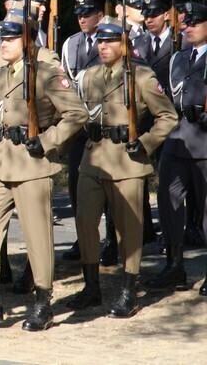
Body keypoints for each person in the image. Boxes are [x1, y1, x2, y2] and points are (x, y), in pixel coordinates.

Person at [0, 16, 87, 331]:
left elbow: (76, 114)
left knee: (37, 235)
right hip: (0, 160)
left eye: (11, 39)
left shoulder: (45, 74)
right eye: (2, 39)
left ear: (27, 41)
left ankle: (43, 302)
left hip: (32, 162)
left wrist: (48, 140)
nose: (3, 44)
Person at [66, 16, 176, 318]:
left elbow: (167, 116)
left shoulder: (141, 76)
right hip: (92, 159)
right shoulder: (88, 76)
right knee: (85, 222)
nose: (103, 46)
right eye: (100, 41)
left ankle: (129, 290)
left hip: (127, 160)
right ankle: (91, 286)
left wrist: (146, 143)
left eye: (109, 41)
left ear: (123, 43)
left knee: (128, 229)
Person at [149, 2, 207, 293]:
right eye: (187, 23)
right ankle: (174, 266)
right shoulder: (178, 58)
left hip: (205, 141)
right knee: (168, 201)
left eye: (196, 22)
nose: (189, 27)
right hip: (178, 137)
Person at [59, 0, 105, 263]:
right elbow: (65, 83)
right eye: (78, 14)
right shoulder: (71, 44)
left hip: (104, 125)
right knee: (76, 185)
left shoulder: (110, 40)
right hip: (80, 129)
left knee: (110, 189)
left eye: (87, 14)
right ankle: (82, 238)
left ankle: (112, 240)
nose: (81, 19)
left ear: (100, 14)